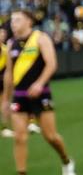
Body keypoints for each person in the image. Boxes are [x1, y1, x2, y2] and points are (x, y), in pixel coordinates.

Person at [4, 11, 75, 175]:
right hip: (19, 97)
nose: (13, 24)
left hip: (41, 95)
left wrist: (39, 83)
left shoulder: (41, 38)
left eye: (17, 20)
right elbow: (9, 73)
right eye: (12, 21)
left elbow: (51, 64)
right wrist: (5, 100)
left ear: (29, 21)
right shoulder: (11, 44)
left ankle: (66, 161)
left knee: (50, 136)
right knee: (19, 137)